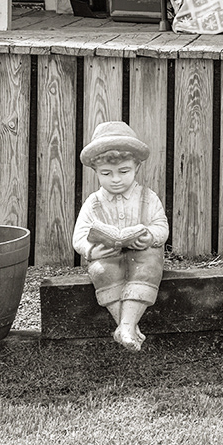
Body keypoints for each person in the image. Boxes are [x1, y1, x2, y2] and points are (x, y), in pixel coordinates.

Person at [71, 121, 168, 352]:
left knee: (148, 267)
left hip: (143, 255)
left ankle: (125, 327)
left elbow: (161, 226)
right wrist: (92, 250)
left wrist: (151, 237)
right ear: (96, 172)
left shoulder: (148, 197)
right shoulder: (93, 203)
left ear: (137, 168)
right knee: (101, 271)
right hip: (108, 257)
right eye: (106, 173)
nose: (116, 179)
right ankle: (126, 327)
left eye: (124, 171)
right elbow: (80, 236)